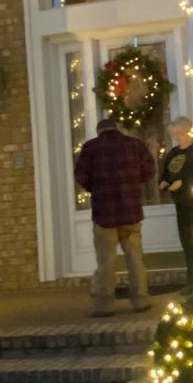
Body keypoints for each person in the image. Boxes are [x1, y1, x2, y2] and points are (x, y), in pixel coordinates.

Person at [74, 115, 153, 316]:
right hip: (131, 212)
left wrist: (97, 188)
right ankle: (140, 301)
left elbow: (81, 176)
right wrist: (133, 184)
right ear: (116, 128)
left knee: (106, 262)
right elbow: (148, 171)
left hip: (104, 215)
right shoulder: (135, 145)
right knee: (135, 259)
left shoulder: (91, 148)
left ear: (99, 130)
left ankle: (104, 306)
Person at [158, 115, 193, 287]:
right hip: (181, 205)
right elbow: (166, 173)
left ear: (188, 131)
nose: (177, 137)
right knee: (187, 242)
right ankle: (192, 280)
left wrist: (183, 183)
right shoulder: (173, 153)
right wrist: (164, 182)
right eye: (174, 134)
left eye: (179, 133)